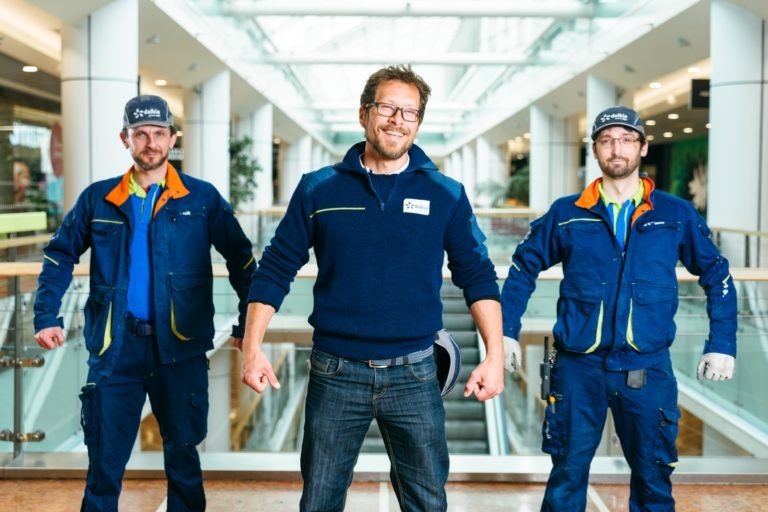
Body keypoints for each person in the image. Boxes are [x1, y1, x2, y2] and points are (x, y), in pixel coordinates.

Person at [239, 65, 505, 512]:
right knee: (320, 500)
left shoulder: (445, 193)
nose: (397, 120)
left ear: (418, 122)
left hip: (417, 374)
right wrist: (251, 347)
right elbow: (275, 269)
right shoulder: (319, 189)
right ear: (364, 113)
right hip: (335, 372)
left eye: (410, 113)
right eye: (387, 107)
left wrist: (495, 356)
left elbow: (477, 276)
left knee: (427, 502)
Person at [501, 106, 738, 512]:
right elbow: (523, 269)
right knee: (566, 478)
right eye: (607, 140)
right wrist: (504, 332)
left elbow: (716, 275)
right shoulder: (566, 213)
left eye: (627, 139)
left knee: (653, 479)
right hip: (577, 369)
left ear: (643, 147)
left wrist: (723, 343)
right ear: (595, 149)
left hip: (646, 368)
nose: (617, 148)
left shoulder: (674, 214)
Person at [33, 94, 255, 511]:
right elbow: (59, 254)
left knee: (184, 457)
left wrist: (248, 325)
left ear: (172, 138)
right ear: (126, 139)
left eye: (158, 133)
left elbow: (243, 260)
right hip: (115, 349)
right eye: (140, 134)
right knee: (104, 460)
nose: (150, 142)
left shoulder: (201, 199)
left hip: (181, 348)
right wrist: (46, 315)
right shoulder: (99, 199)